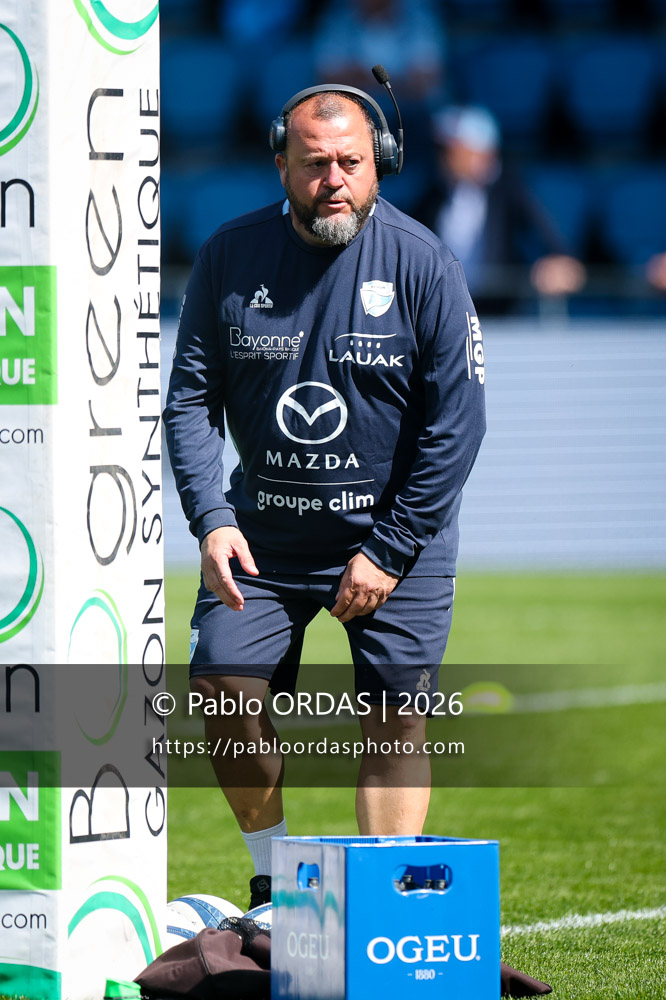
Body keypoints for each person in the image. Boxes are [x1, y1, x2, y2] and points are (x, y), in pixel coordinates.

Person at [163, 77, 486, 909]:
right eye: (315, 163)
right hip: (262, 541)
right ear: (282, 166)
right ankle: (273, 884)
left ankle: (381, 903)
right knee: (223, 691)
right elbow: (190, 400)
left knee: (395, 717)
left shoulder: (425, 264)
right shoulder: (230, 256)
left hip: (395, 544)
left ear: (381, 163)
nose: (333, 179)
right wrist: (212, 519)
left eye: (351, 161)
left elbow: (458, 426)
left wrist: (389, 548)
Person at [413, 105, 587, 314]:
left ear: (482, 152)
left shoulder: (511, 190)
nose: (443, 157)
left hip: (499, 312)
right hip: (444, 310)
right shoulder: (432, 195)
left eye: (452, 150)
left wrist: (555, 264)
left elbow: (552, 244)